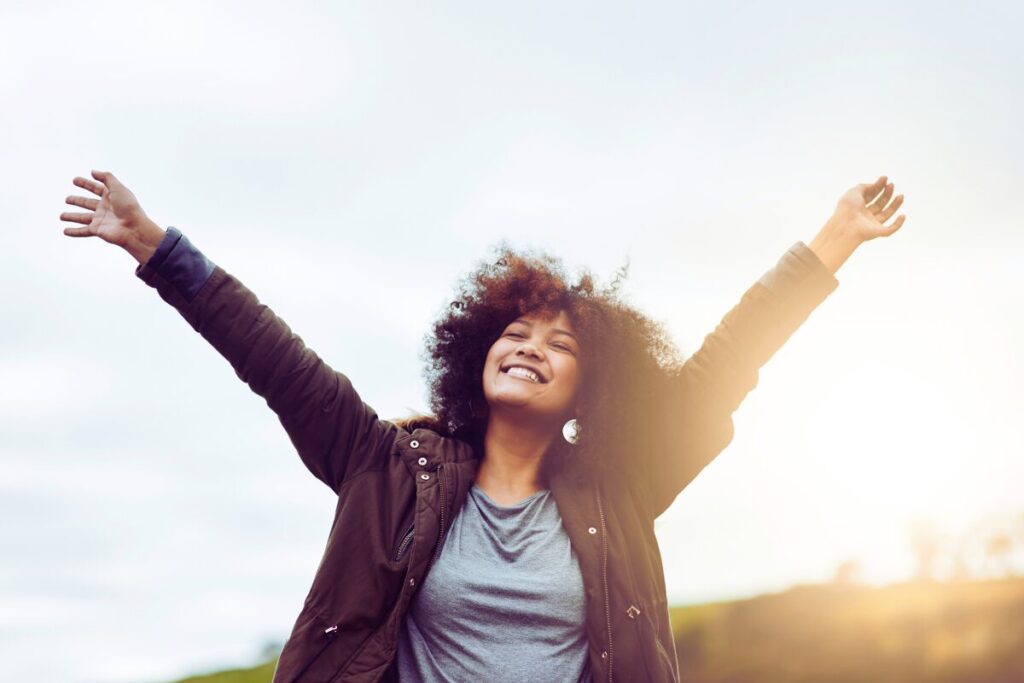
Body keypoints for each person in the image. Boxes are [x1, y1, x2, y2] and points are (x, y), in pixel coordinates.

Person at [60, 170, 905, 682]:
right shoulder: (385, 466)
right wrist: (153, 244)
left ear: (590, 388)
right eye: (515, 332)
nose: (531, 347)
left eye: (560, 343)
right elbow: (274, 357)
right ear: (478, 351)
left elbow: (725, 362)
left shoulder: (620, 489)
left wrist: (833, 240)